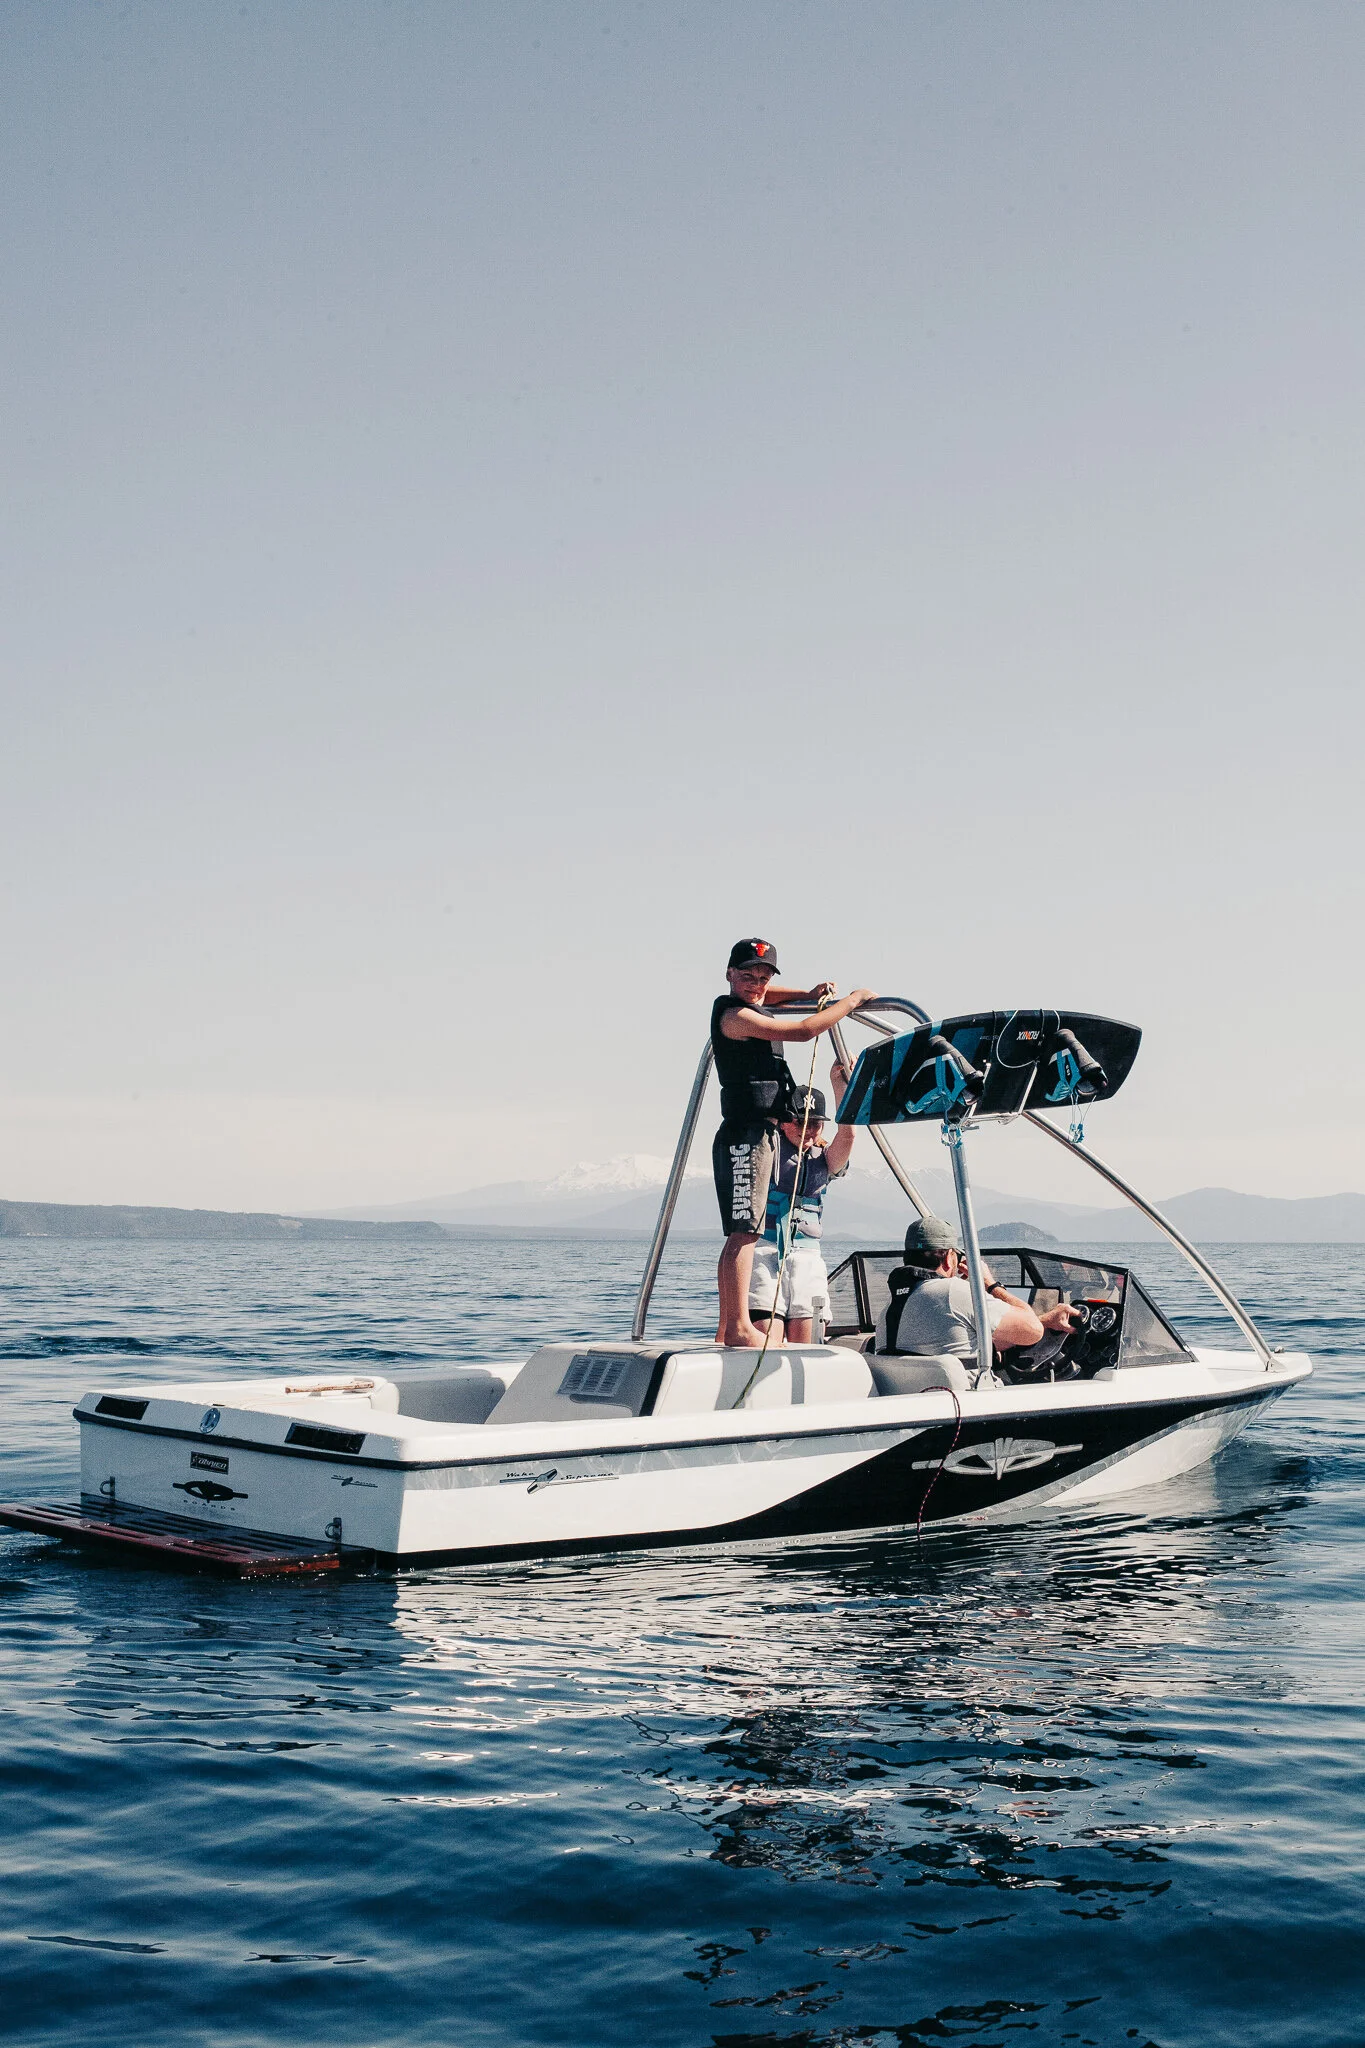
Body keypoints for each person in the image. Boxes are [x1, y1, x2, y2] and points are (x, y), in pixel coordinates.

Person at [712, 938, 876, 1348]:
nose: (756, 984)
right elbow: (804, 1031)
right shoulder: (733, 1016)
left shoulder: (754, 999)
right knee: (744, 1232)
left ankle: (729, 1329)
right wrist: (852, 1001)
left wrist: (807, 993)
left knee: (746, 1231)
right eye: (747, 974)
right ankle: (735, 1327)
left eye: (763, 977)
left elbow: (767, 996)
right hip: (745, 1131)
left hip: (761, 1131)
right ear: (729, 973)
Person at [875, 1215, 1078, 1368]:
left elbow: (969, 1337)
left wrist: (1046, 1319)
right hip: (969, 1411)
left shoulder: (890, 1310)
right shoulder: (954, 1292)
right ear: (948, 1258)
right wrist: (988, 1283)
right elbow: (1033, 1331)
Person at [749, 1062, 856, 1345]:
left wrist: (840, 1085)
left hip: (807, 1260)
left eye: (815, 1123)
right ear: (783, 1121)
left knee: (804, 1350)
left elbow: (849, 1135)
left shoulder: (824, 1160)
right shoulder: (767, 1146)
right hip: (766, 1253)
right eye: (800, 1121)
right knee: (766, 1344)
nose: (808, 1130)